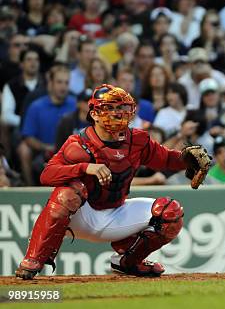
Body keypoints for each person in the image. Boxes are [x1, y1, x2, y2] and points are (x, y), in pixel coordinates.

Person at [15, 84, 201, 279]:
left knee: (170, 212)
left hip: (116, 214)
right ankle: (33, 259)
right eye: (110, 108)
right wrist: (85, 168)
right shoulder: (79, 144)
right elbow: (47, 175)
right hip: (82, 217)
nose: (117, 113)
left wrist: (188, 160)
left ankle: (128, 262)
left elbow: (166, 159)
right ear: (95, 114)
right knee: (68, 192)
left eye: (121, 107)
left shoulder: (138, 139)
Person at [18, 64, 76, 185]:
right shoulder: (36, 106)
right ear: (50, 83)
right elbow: (28, 137)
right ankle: (30, 188)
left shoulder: (75, 104)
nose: (63, 87)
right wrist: (46, 147)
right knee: (24, 149)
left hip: (73, 153)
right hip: (44, 152)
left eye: (66, 83)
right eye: (59, 82)